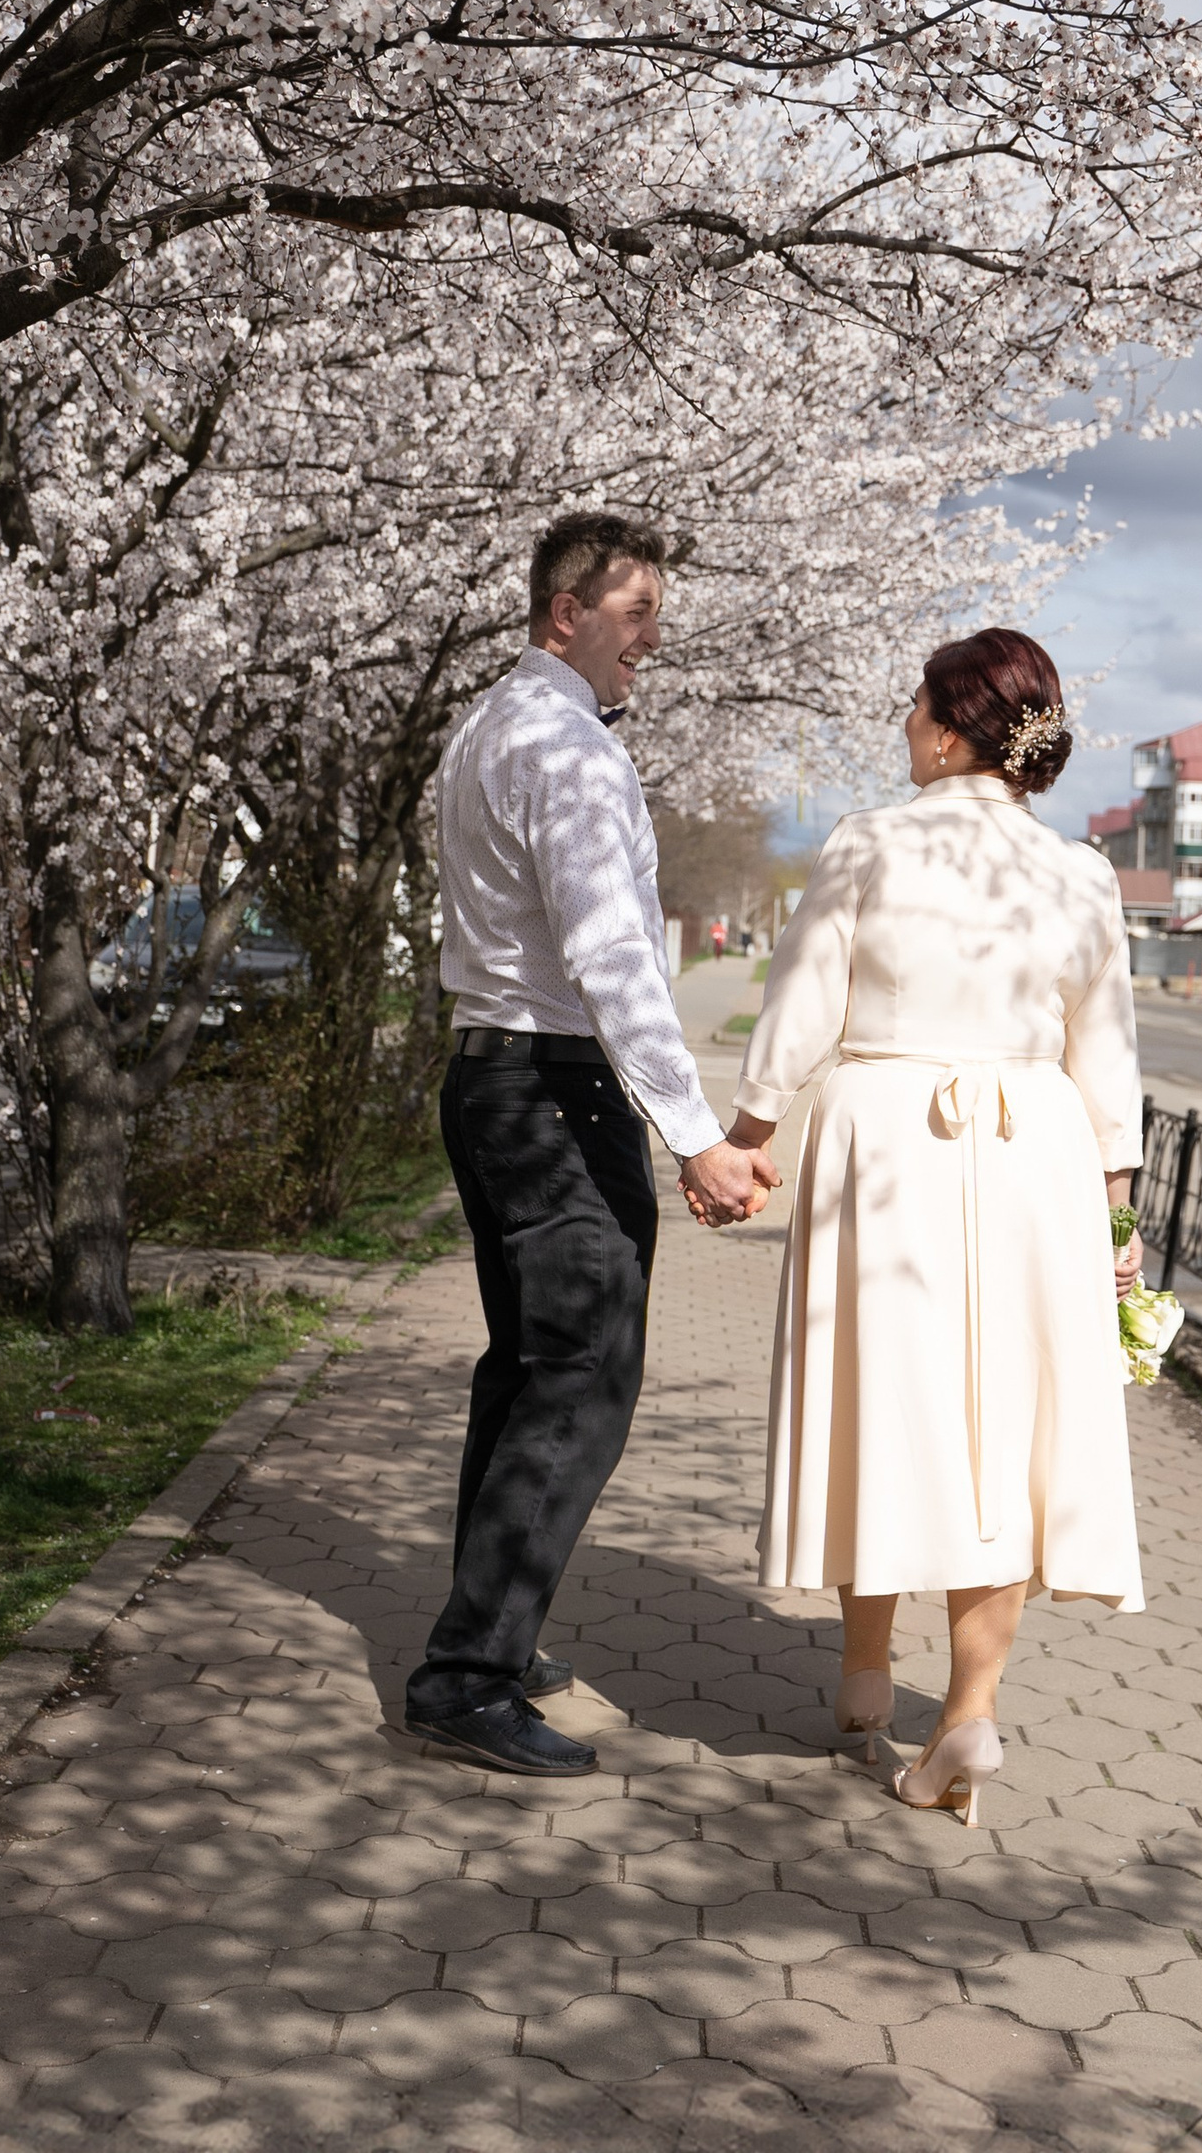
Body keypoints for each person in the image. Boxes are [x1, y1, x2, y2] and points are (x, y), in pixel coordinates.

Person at [726, 628, 1144, 1828]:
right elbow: (1106, 1052)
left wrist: (749, 1131)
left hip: (888, 1135)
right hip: (1037, 1148)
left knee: (883, 1392)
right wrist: (1116, 1213)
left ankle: (864, 1668)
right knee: (999, 1423)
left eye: (917, 705)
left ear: (953, 727)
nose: (905, 722)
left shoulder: (868, 839)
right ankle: (967, 1709)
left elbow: (802, 998)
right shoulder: (1080, 873)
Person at [403, 512, 778, 1779]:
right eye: (634, 612)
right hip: (555, 1089)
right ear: (565, 609)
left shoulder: (491, 721)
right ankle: (468, 1672)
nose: (651, 638)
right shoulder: (562, 747)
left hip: (497, 1076)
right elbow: (612, 954)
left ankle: (492, 1636)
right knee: (581, 1378)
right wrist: (695, 1136)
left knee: (527, 1368)